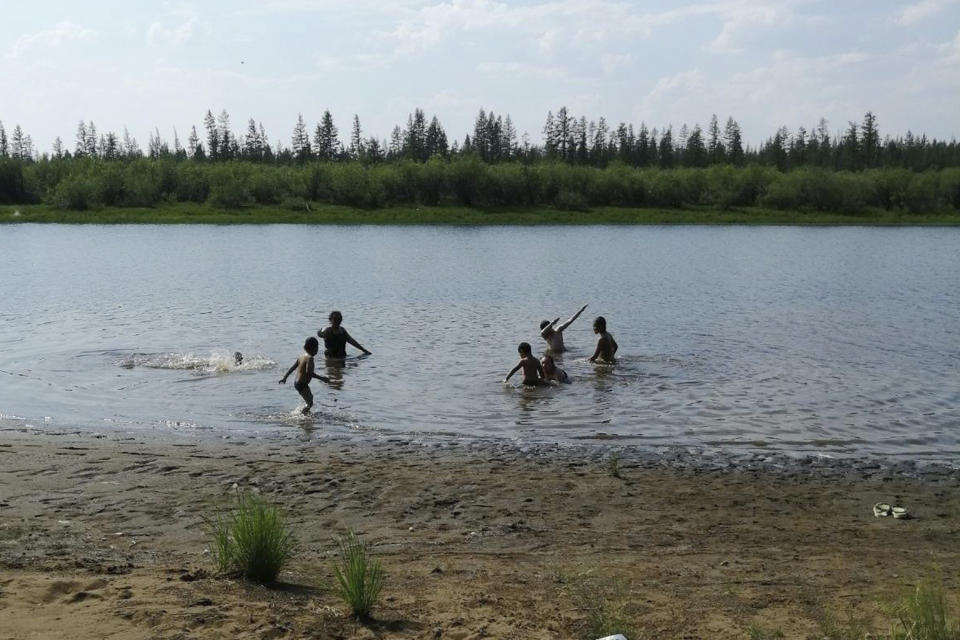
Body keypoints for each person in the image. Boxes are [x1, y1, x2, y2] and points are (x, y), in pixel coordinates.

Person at [279, 337, 331, 414]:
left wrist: (284, 378)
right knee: (310, 403)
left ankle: (305, 414)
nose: (317, 350)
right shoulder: (310, 358)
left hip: (297, 382)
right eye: (316, 348)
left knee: (310, 399)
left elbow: (292, 368)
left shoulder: (301, 356)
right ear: (311, 348)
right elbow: (309, 372)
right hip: (302, 384)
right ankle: (302, 415)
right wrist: (322, 378)